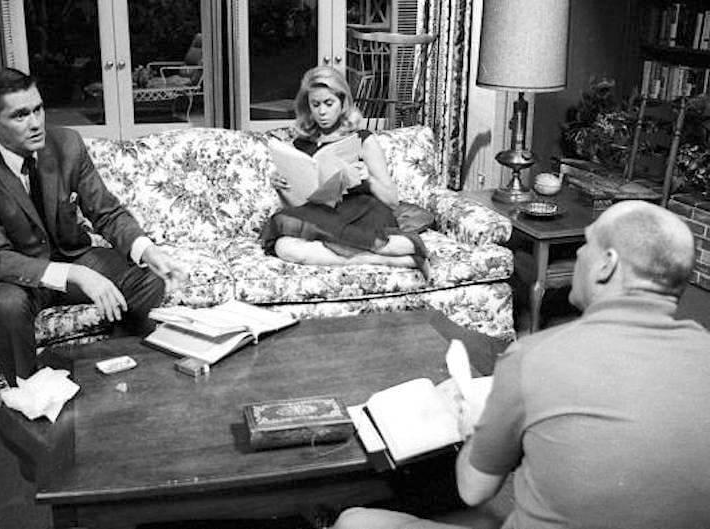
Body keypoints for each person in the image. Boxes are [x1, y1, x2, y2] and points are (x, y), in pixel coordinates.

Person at [332, 200, 710, 529]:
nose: (578, 255)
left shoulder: (535, 357)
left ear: (606, 265)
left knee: (355, 521)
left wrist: (472, 422)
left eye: (587, 244)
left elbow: (473, 488)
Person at [0, 67, 187, 385]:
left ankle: (118, 372)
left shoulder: (66, 144)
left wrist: (148, 250)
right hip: (6, 277)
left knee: (146, 280)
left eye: (38, 109)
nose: (35, 123)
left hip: (66, 255)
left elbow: (107, 211)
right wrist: (77, 274)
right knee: (8, 306)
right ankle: (30, 397)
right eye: (20, 116)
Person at [259, 66, 430, 279]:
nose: (322, 112)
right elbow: (299, 206)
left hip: (363, 213)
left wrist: (368, 178)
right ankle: (384, 258)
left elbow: (392, 200)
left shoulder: (363, 139)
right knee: (284, 247)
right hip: (323, 216)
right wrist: (283, 188)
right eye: (315, 105)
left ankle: (389, 248)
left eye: (328, 104)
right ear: (308, 107)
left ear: (342, 104)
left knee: (397, 242)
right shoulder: (301, 145)